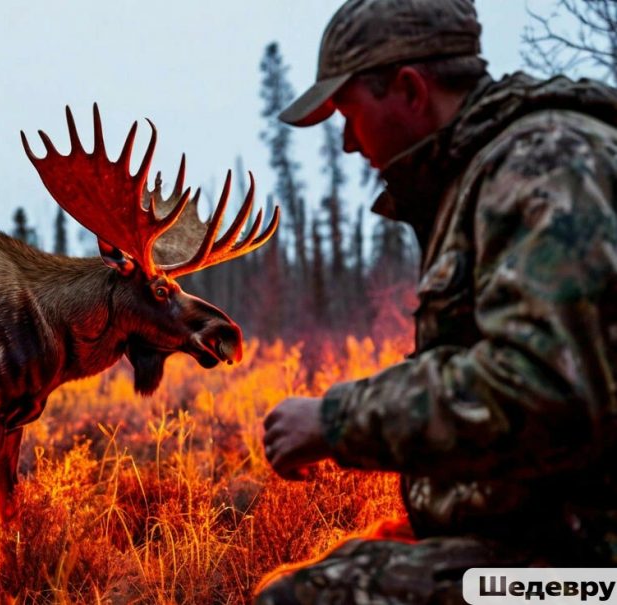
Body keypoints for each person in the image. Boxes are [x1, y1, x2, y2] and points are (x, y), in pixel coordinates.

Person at [257, 0, 617, 602]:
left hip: (585, 575)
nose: (346, 142)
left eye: (348, 112)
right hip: (549, 535)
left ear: (409, 89)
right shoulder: (490, 170)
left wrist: (336, 422)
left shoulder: (544, 163)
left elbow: (548, 390)